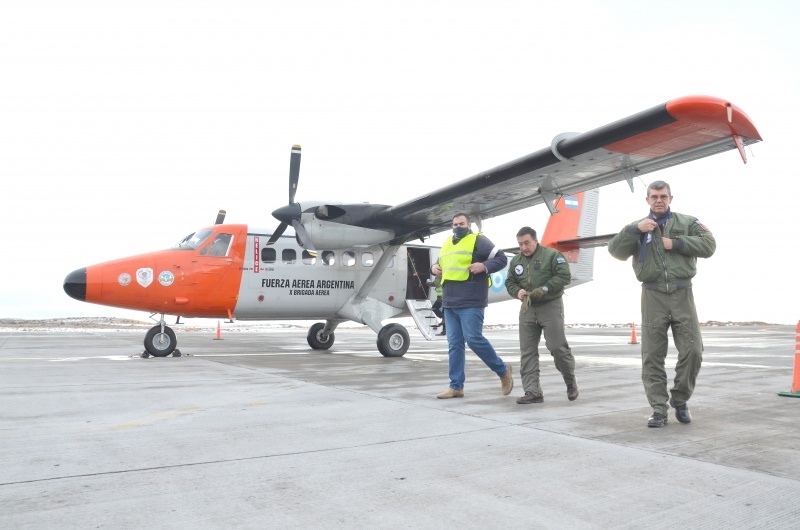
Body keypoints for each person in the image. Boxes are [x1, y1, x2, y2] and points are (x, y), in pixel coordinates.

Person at [608, 180, 716, 428]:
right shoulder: (638, 227)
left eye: (663, 196)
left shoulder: (688, 222)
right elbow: (615, 251)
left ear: (670, 198)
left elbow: (710, 245)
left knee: (693, 351)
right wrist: (635, 229)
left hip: (682, 293)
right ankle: (658, 409)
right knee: (652, 356)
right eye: (654, 196)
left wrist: (677, 244)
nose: (659, 200)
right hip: (652, 296)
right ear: (647, 200)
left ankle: (680, 399)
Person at [431, 213, 512, 399]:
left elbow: (501, 258)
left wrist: (483, 266)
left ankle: (502, 370)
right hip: (450, 301)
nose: (458, 226)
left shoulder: (479, 240)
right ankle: (456, 386)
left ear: (469, 226)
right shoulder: (447, 243)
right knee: (454, 345)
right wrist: (433, 268)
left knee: (473, 338)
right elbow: (439, 264)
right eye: (455, 224)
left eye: (461, 223)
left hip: (471, 300)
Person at [505, 226, 577, 404]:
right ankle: (532, 391)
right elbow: (510, 282)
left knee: (557, 347)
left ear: (536, 241)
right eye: (520, 244)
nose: (523, 247)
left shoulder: (552, 255)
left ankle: (570, 381)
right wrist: (517, 292)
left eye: (527, 243)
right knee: (527, 350)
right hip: (527, 308)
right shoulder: (516, 262)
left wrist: (544, 289)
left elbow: (564, 276)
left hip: (550, 305)